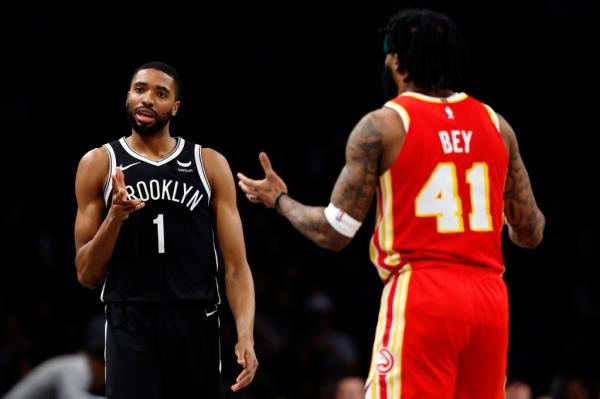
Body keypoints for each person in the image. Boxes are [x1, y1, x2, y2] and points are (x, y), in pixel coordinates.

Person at [237, 8, 544, 399]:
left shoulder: (385, 124)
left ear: (397, 60)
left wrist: (279, 200)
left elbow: (334, 232)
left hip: (424, 293)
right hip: (490, 300)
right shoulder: (497, 124)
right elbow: (530, 233)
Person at [74, 61, 258, 399]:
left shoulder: (209, 164)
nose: (147, 100)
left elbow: (235, 266)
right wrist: (115, 217)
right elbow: (86, 273)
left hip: (195, 318)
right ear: (128, 97)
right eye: (139, 89)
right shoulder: (99, 163)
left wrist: (245, 333)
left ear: (175, 107)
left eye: (160, 94)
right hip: (129, 318)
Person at [1, 315, 106, 399]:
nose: (104, 382)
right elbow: (70, 397)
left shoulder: (77, 364)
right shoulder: (77, 367)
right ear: (100, 364)